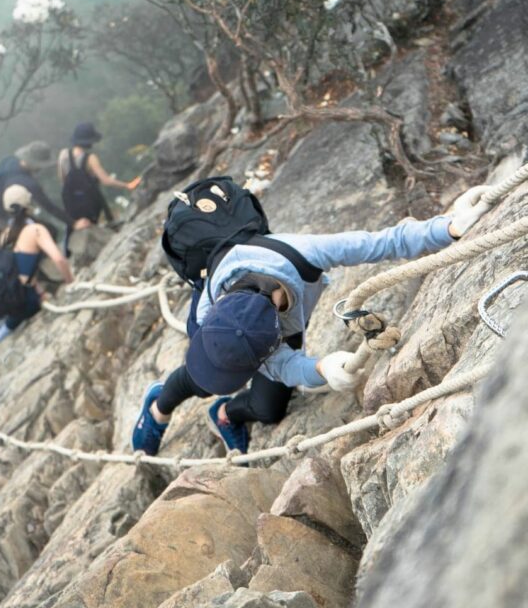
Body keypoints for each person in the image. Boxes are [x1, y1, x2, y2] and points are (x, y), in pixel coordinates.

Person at [132, 184, 494, 456]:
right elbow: (278, 363)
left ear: (270, 344)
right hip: (231, 314)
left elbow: (380, 243)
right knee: (202, 376)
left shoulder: (304, 253)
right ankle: (158, 407)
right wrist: (320, 367)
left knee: (269, 410)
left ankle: (226, 414)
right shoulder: (208, 307)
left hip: (267, 326)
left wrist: (448, 229)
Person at [0, 184, 74, 343]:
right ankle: (3, 333)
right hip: (27, 302)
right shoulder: (36, 230)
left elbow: (15, 271)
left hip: (9, 299)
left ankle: (0, 331)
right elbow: (59, 259)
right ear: (28, 204)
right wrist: (71, 283)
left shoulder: (4, 235)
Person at [58, 122, 140, 230]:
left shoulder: (63, 154)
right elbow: (105, 180)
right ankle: (111, 223)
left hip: (71, 205)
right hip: (90, 204)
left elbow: (62, 179)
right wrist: (127, 185)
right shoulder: (90, 158)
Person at [0, 140, 71, 228]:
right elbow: (49, 207)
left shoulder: (9, 160)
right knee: (50, 229)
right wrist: (72, 222)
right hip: (6, 218)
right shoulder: (27, 183)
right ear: (35, 163)